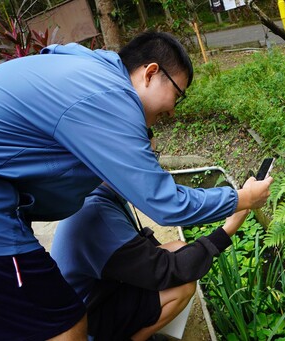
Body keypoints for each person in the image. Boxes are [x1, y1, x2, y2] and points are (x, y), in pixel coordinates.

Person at [0, 31, 273, 340]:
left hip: (9, 204)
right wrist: (242, 199)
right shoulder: (110, 97)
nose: (172, 111)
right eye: (177, 95)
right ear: (150, 73)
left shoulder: (89, 73)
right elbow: (168, 205)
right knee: (67, 328)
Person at [51, 129, 252, 340]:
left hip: (100, 287)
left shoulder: (103, 190)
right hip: (85, 319)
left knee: (176, 247)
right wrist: (227, 229)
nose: (155, 166)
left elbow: (137, 246)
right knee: (182, 286)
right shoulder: (97, 213)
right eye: (148, 156)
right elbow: (167, 271)